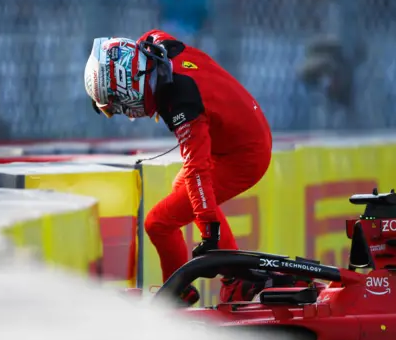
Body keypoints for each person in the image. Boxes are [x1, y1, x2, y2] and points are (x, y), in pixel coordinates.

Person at [84, 30, 273, 305]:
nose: (126, 112)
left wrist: (209, 230)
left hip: (244, 155)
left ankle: (177, 296)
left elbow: (198, 169)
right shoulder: (155, 43)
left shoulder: (180, 101)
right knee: (180, 191)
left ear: (128, 85)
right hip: (246, 131)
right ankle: (236, 278)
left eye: (118, 103)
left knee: (158, 223)